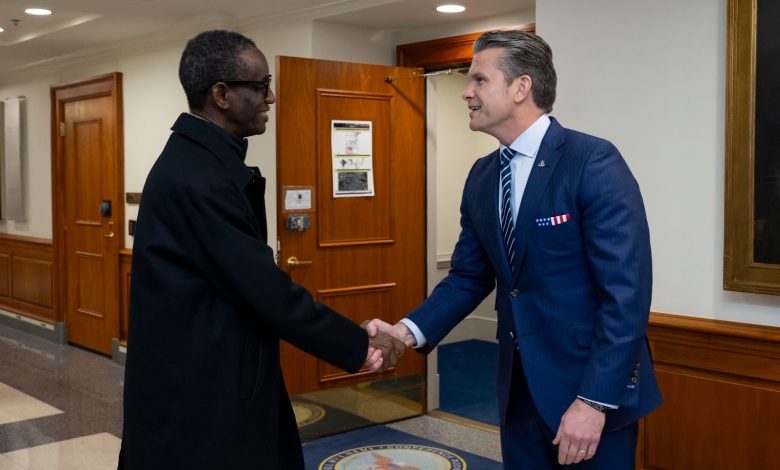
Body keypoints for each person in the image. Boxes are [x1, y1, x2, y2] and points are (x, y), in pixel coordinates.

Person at [368, 30, 661, 469]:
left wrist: (595, 402)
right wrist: (407, 332)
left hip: (589, 394)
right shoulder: (483, 176)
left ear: (521, 87)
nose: (466, 92)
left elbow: (627, 296)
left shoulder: (592, 162)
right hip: (518, 392)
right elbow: (469, 275)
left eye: (479, 80)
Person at [119, 30, 402, 469]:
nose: (270, 97)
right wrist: (357, 344)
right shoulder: (199, 179)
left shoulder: (201, 162)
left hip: (209, 377)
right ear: (222, 94)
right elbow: (265, 290)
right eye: (261, 85)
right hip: (202, 393)